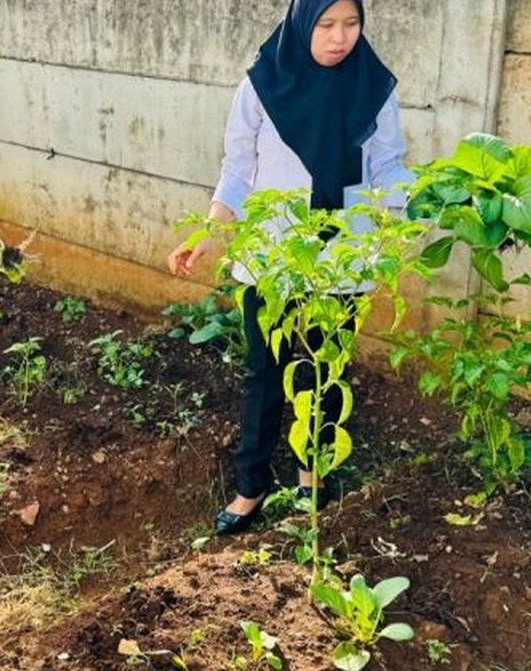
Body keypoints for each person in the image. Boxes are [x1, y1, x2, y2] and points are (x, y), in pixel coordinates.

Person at [166, 0, 413, 535]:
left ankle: (312, 476)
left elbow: (390, 169)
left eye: (351, 24)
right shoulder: (261, 85)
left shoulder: (375, 88)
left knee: (324, 368)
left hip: (342, 258)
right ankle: (250, 486)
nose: (339, 37)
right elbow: (237, 169)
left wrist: (407, 221)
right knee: (265, 372)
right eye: (326, 25)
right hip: (273, 258)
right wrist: (208, 233)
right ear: (303, 24)